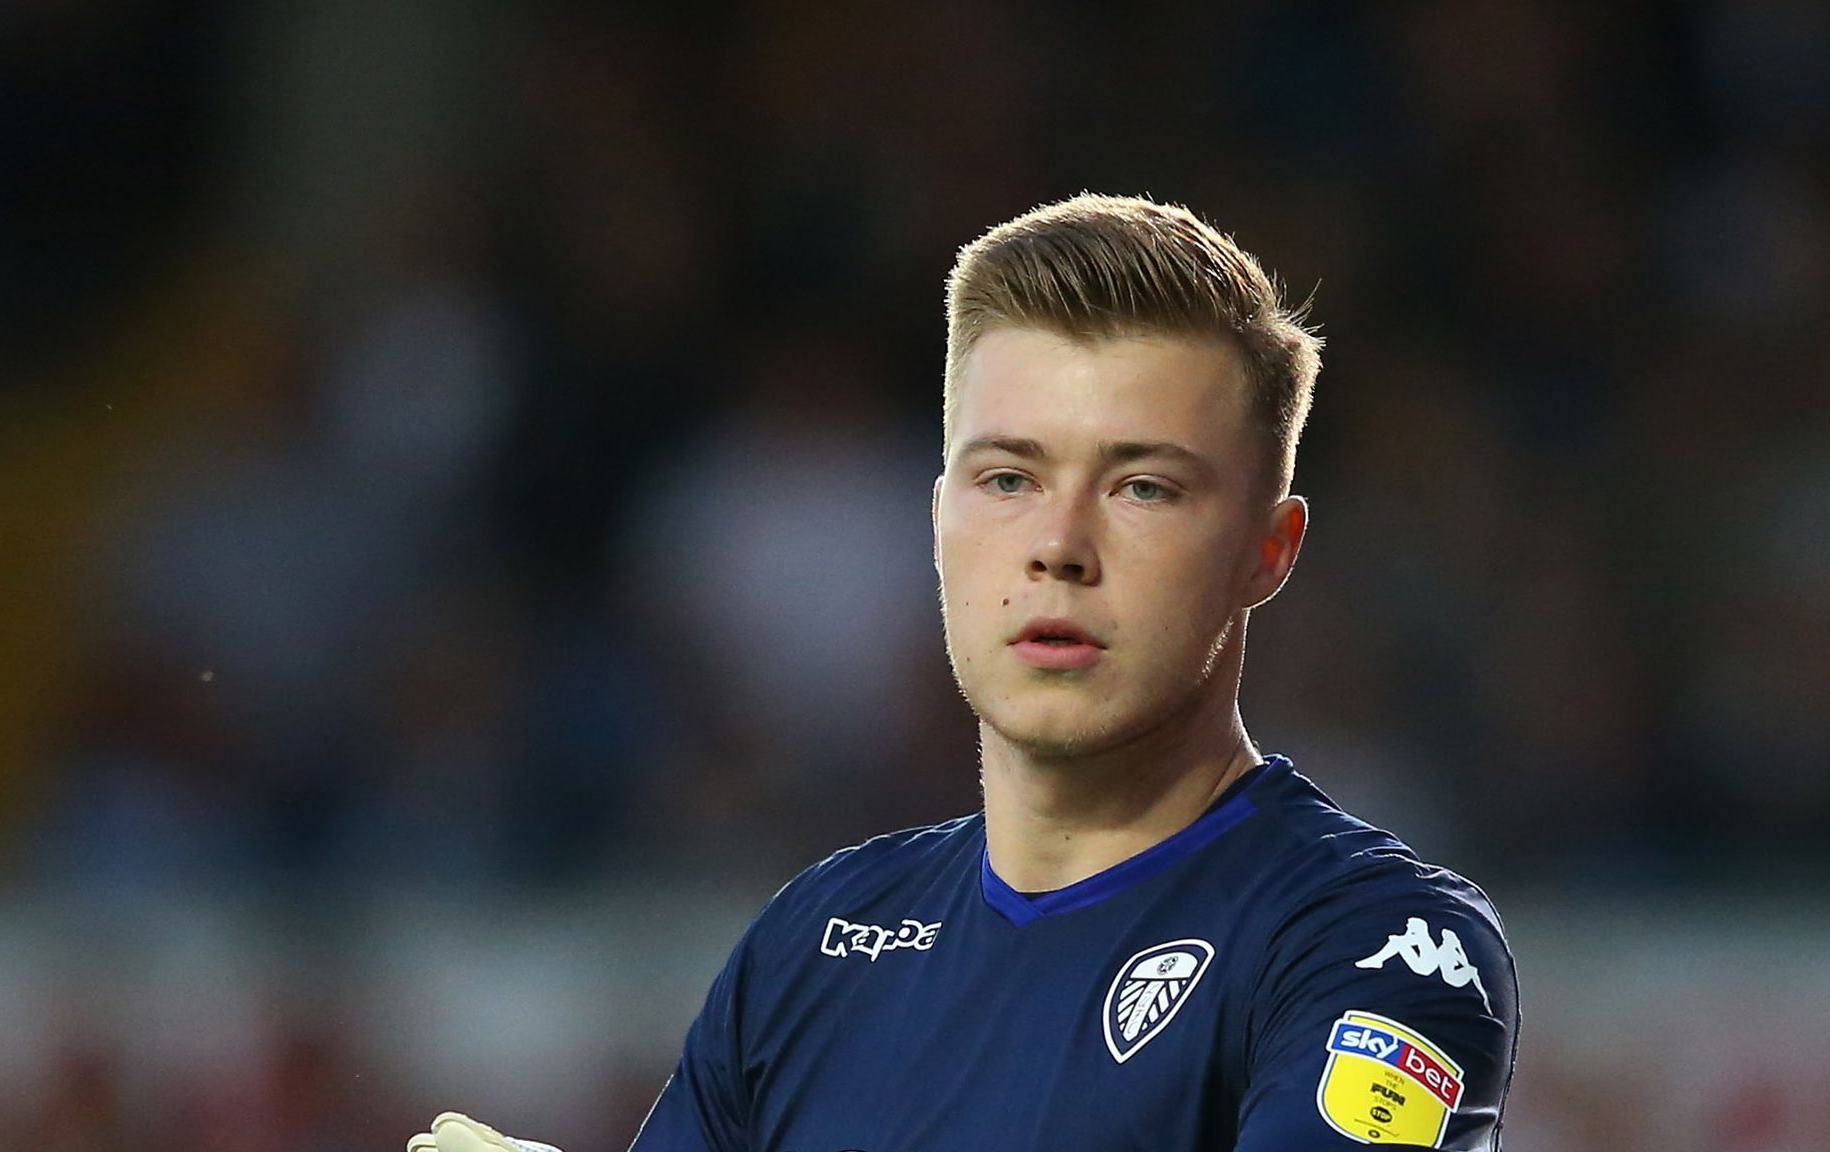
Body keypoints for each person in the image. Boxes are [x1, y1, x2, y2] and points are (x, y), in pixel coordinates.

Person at [410, 193, 1518, 1152]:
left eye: (1142, 487)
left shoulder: (1377, 950)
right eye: (1007, 480)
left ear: (1264, 554)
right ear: (937, 518)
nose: (1060, 544)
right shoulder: (812, 947)